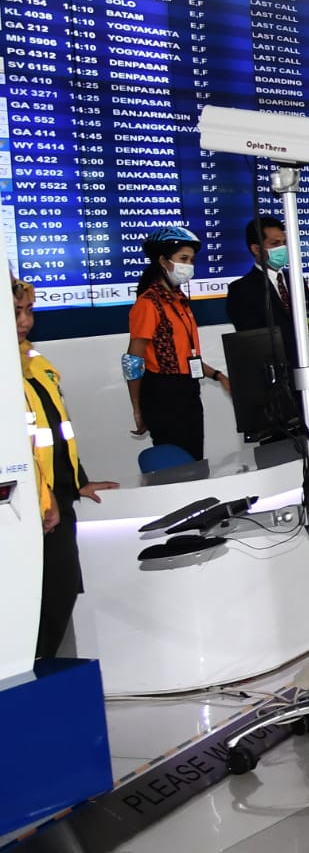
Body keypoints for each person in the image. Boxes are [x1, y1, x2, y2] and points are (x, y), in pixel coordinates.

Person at [14, 278, 118, 658]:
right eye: (15, 313)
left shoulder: (35, 362)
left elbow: (54, 432)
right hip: (28, 507)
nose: (25, 322)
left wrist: (79, 481)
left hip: (57, 497)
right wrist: (43, 500)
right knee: (35, 603)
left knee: (61, 589)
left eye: (28, 312)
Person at [124, 226, 229, 461]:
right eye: (183, 259)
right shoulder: (148, 303)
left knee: (196, 461)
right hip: (163, 396)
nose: (188, 265)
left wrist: (218, 376)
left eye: (191, 259)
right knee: (177, 466)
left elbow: (186, 357)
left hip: (188, 392)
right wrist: (138, 408)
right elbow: (132, 360)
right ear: (163, 261)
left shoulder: (180, 300)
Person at [225, 216, 309, 392]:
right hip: (273, 387)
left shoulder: (297, 281)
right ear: (256, 249)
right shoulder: (242, 290)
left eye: (284, 242)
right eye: (275, 243)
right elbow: (254, 342)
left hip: (307, 379)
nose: (282, 248)